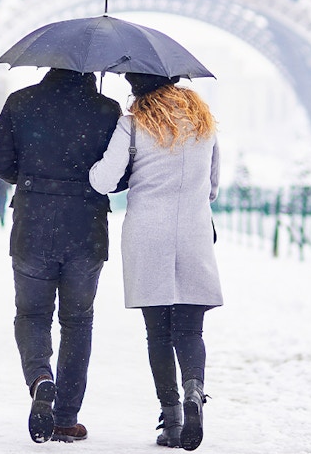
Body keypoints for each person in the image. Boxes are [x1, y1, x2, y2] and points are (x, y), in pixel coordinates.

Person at [0, 67, 122, 444]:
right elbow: (120, 175)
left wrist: (31, 179)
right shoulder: (107, 110)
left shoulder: (21, 101)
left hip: (33, 224)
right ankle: (65, 418)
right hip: (85, 228)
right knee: (77, 322)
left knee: (31, 314)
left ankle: (40, 378)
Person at [88, 72, 222, 451]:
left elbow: (103, 180)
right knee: (191, 331)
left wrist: (119, 166)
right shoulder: (203, 124)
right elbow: (212, 187)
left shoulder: (132, 125)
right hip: (194, 234)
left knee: (159, 333)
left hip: (147, 235)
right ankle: (194, 390)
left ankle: (172, 419)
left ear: (136, 89)